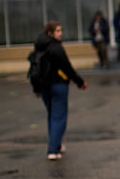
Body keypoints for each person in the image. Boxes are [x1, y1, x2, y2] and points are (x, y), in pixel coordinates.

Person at [33, 21, 87, 160]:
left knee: (52, 116)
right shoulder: (56, 48)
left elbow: (34, 68)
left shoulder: (39, 47)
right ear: (50, 33)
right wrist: (80, 82)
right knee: (59, 117)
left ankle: (56, 145)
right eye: (57, 31)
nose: (61, 33)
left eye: (61, 30)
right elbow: (67, 68)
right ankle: (52, 150)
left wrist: (36, 88)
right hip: (58, 85)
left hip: (44, 87)